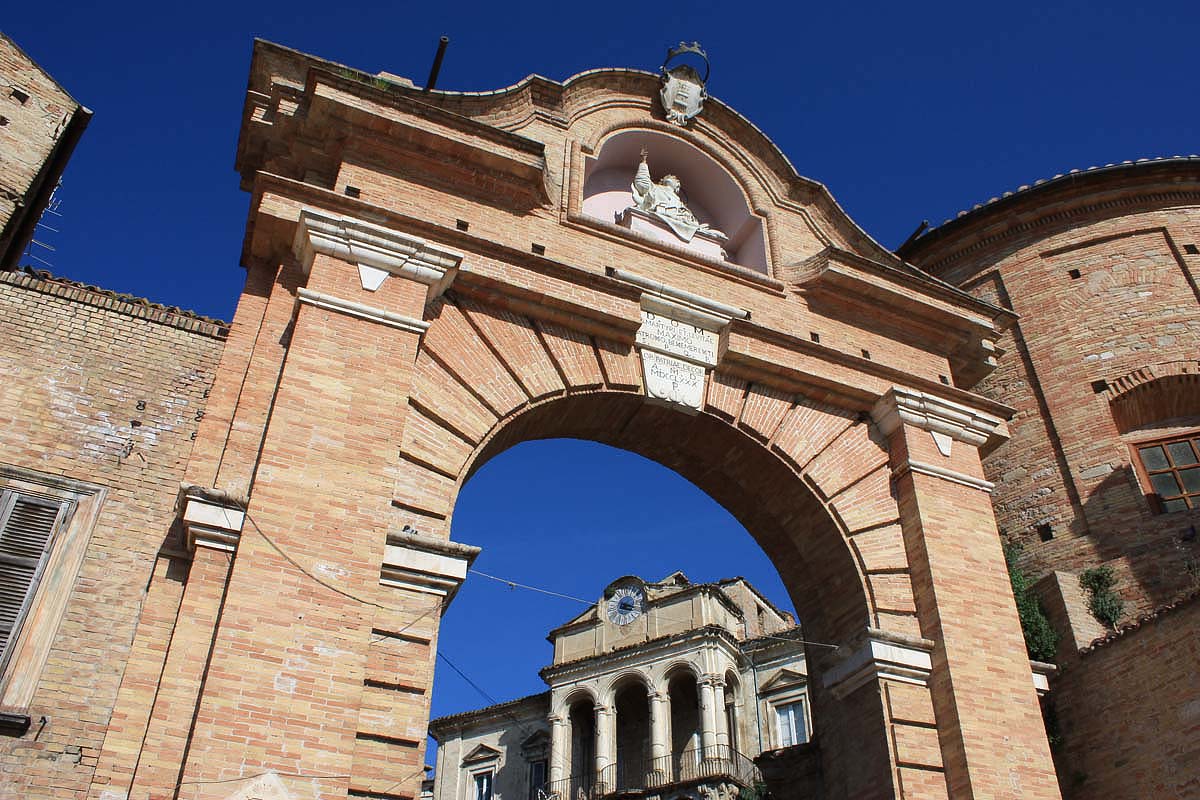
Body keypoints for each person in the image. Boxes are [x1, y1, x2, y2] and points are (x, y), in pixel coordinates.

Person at [630, 149, 724, 243]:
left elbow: (688, 216)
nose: (677, 181)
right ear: (664, 180)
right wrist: (643, 163)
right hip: (662, 214)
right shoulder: (655, 188)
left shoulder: (680, 202)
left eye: (677, 181)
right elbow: (642, 184)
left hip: (679, 219)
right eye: (674, 179)